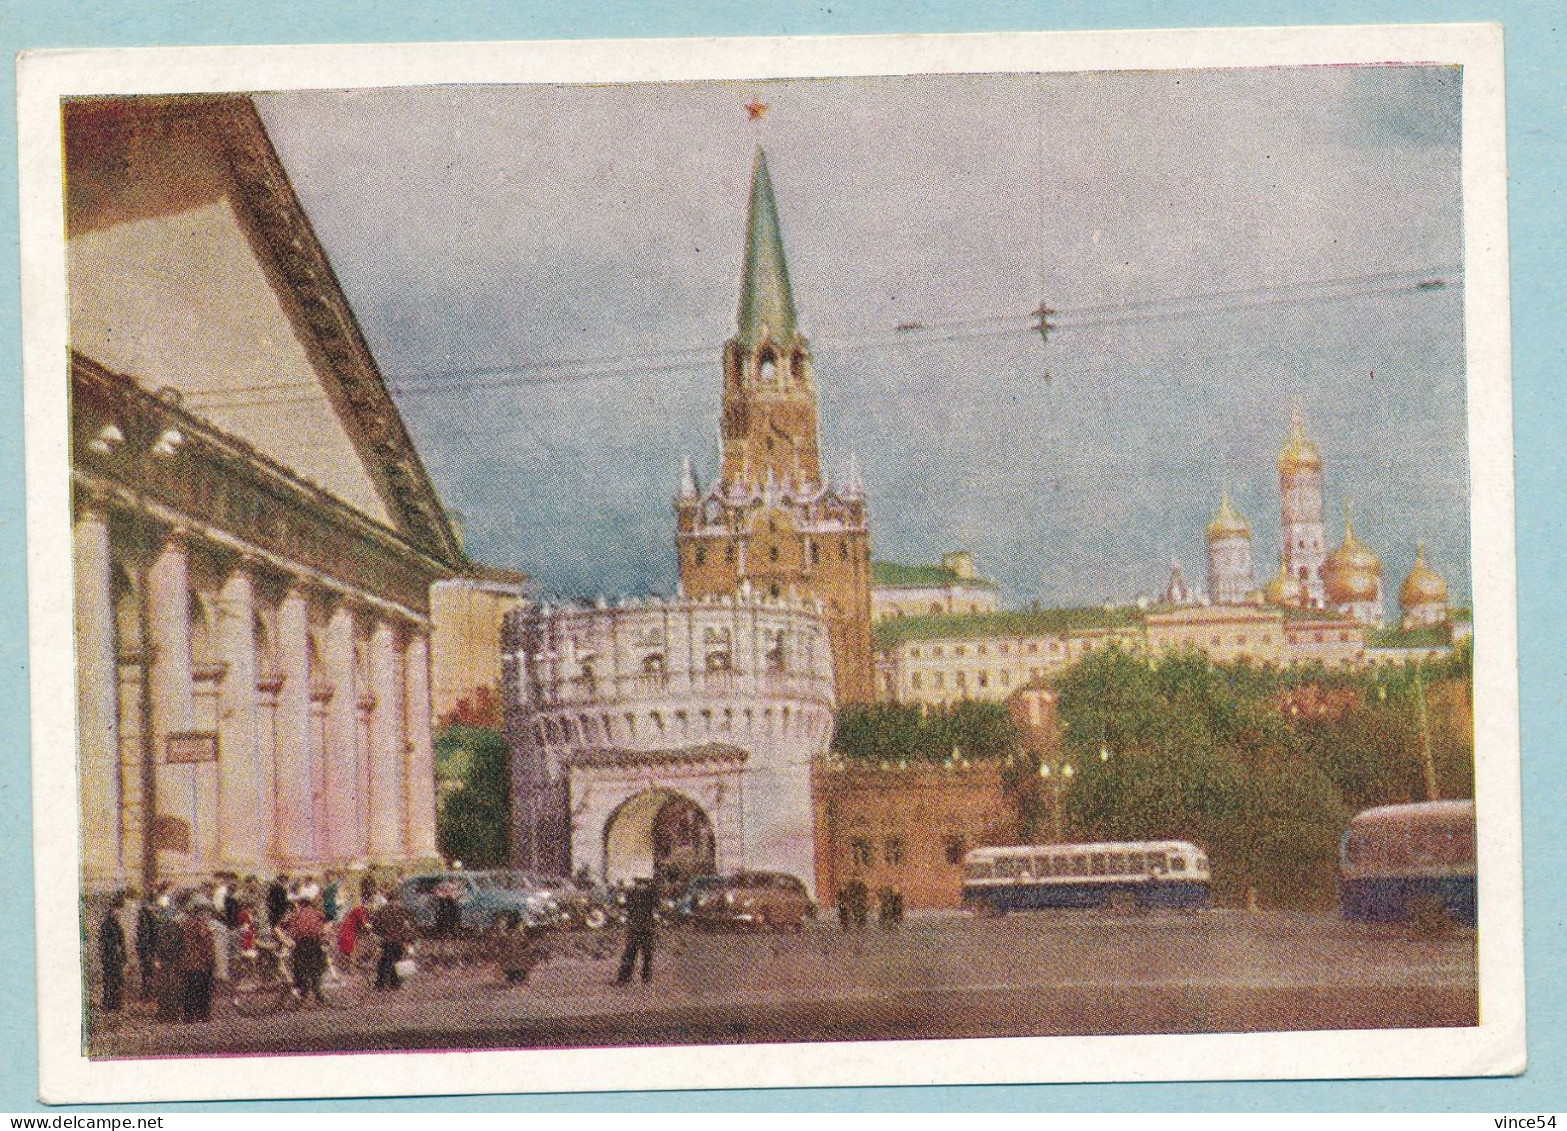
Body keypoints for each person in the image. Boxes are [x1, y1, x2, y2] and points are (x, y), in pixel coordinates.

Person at [278, 896, 329, 1004]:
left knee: (300, 970)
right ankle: (319, 995)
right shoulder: (316, 912)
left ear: (300, 904)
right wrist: (323, 934)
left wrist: (284, 937)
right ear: (309, 904)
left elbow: (282, 925)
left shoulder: (296, 914)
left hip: (302, 944)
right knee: (316, 970)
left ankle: (303, 994)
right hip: (315, 943)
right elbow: (325, 922)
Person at [173, 901, 217, 1023]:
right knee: (202, 989)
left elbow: (179, 945)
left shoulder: (184, 926)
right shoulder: (202, 926)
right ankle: (202, 1014)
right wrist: (211, 960)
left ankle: (189, 1015)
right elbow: (207, 946)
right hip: (201, 963)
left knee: (189, 990)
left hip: (188, 963)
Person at [615, 877, 659, 985]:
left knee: (630, 954)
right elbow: (657, 907)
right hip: (647, 927)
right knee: (647, 954)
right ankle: (646, 977)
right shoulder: (652, 893)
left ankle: (624, 978)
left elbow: (622, 905)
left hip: (635, 927)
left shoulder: (632, 893)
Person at [370, 894, 417, 991]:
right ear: (397, 899)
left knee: (384, 961)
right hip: (398, 941)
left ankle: (381, 984)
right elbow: (407, 926)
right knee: (395, 961)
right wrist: (408, 940)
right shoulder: (402, 910)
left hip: (386, 941)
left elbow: (375, 924)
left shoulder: (382, 910)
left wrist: (379, 937)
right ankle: (393, 984)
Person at [497, 911, 549, 985]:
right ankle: (518, 977)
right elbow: (524, 942)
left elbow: (503, 945)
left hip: (512, 957)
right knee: (519, 963)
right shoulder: (517, 934)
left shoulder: (508, 934)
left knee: (515, 963)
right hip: (516, 957)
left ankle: (515, 977)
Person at [98, 893, 128, 1013]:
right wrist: (115, 949)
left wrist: (123, 955)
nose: (119, 912)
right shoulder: (107, 924)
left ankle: (115, 1004)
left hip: (116, 958)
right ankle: (109, 1004)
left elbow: (121, 941)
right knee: (110, 980)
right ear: (113, 908)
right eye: (118, 909)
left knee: (117, 981)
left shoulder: (116, 923)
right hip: (110, 957)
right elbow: (104, 942)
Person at [133, 889, 161, 1000]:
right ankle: (147, 994)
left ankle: (146, 993)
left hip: (144, 948)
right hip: (148, 948)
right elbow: (149, 934)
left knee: (146, 972)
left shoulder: (143, 914)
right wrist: (151, 950)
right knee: (148, 971)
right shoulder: (149, 915)